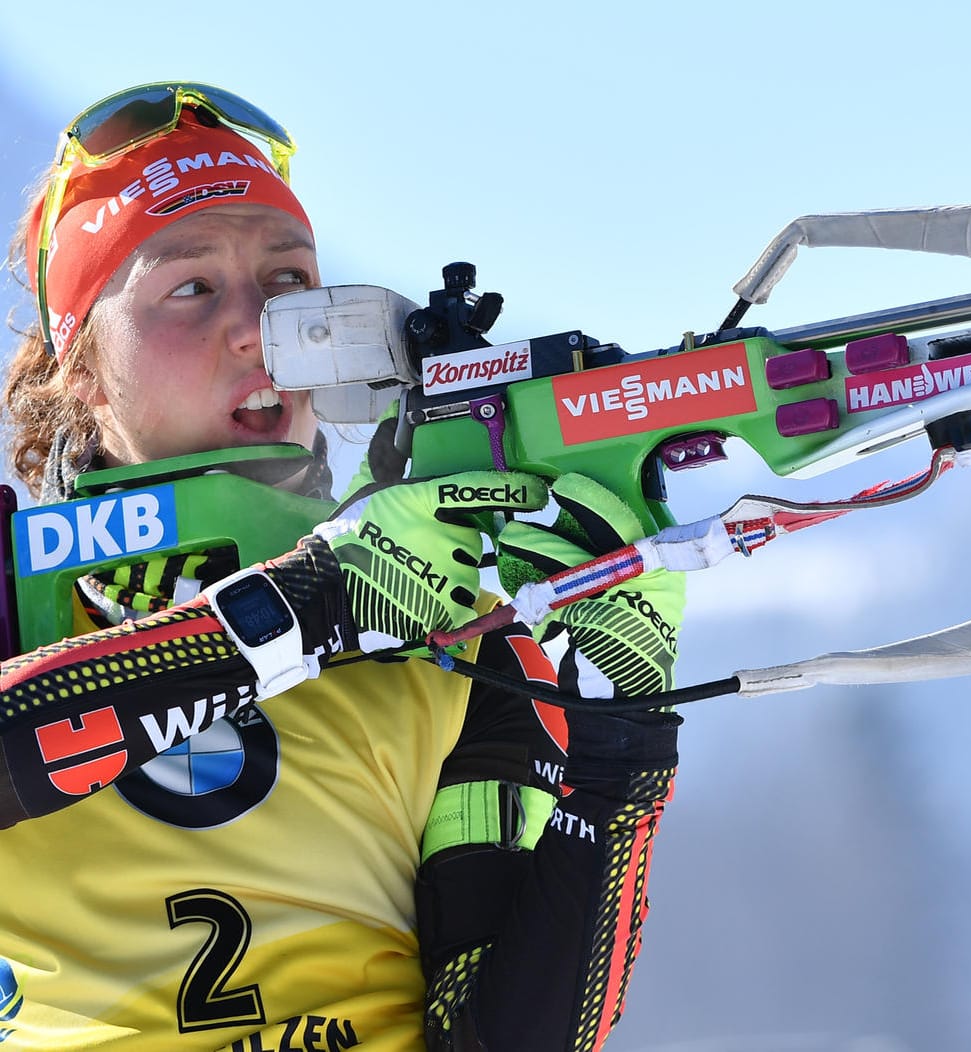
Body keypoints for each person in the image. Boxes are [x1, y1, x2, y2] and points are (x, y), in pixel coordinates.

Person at [0, 82, 685, 1051]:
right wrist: (316, 605)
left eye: (289, 285)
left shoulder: (446, 636)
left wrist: (622, 741)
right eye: (191, 287)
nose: (258, 332)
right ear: (80, 365)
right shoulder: (14, 588)